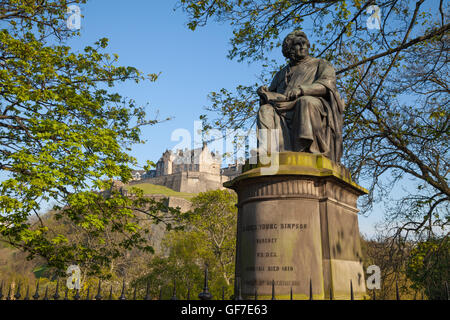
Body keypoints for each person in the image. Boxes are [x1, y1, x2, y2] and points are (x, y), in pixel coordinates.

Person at [257, 30, 345, 163]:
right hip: (283, 107)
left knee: (305, 102)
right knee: (265, 110)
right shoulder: (281, 74)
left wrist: (302, 90)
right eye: (298, 44)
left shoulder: (320, 64)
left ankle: (307, 149)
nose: (303, 47)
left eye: (305, 44)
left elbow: (327, 85)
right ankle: (267, 151)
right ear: (290, 49)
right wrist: (264, 93)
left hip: (314, 105)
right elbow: (272, 94)